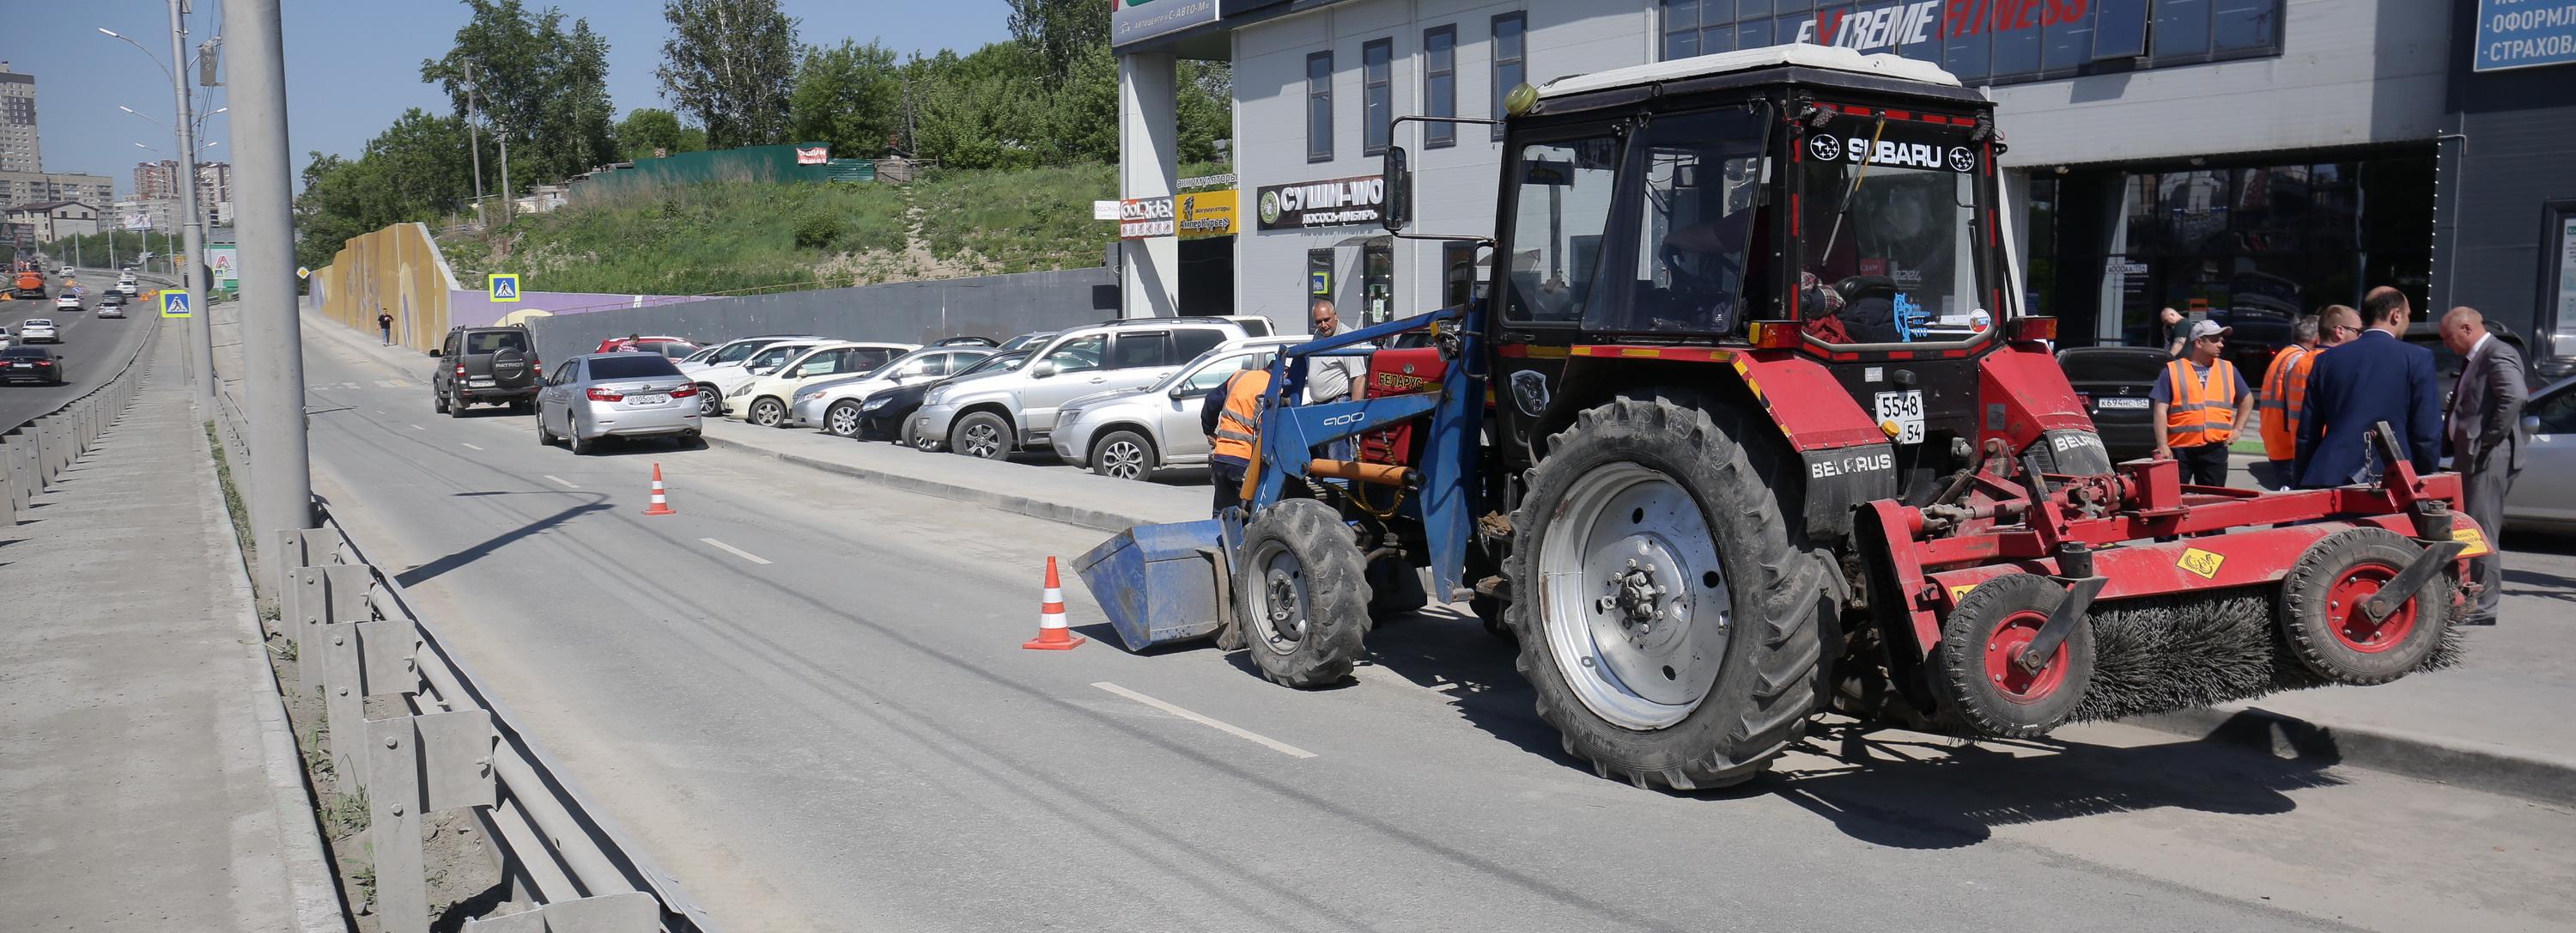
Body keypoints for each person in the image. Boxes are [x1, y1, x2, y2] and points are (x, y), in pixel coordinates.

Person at [2296, 287, 2443, 488]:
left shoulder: (2326, 360)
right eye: (2408, 315)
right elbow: (2426, 433)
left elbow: (2307, 432)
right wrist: (2426, 478)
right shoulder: (2417, 359)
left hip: (2330, 473)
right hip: (2393, 479)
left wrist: (2301, 480)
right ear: (2396, 315)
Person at [2441, 306, 2527, 626]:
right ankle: (2474, 598)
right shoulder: (2478, 357)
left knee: (2482, 530)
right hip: (2476, 455)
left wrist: (2488, 439)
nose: (2448, 344)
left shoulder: (2496, 353)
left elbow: (2515, 397)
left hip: (2488, 458)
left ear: (2466, 328)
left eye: (2449, 337)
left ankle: (2485, 606)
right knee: (2473, 527)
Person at [2150, 320, 2255, 486]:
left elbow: (2247, 399)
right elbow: (2160, 410)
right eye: (2215, 340)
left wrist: (2238, 429)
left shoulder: (2228, 369)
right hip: (2180, 449)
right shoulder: (2172, 370)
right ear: (2199, 342)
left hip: (2215, 448)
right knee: (2175, 498)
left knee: (2212, 500)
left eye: (2222, 340)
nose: (2221, 344)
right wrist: (2162, 445)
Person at [2254, 314, 2324, 489]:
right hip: (2289, 444)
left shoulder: (2284, 355)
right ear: (2317, 338)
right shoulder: (2299, 361)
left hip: (2276, 439)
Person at [1201, 360, 1272, 517]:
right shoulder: (1275, 388)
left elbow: (1211, 400)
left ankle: (1219, 539)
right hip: (1246, 462)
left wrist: (1209, 430)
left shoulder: (1240, 376)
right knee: (1246, 516)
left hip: (1222, 457)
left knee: (1221, 514)